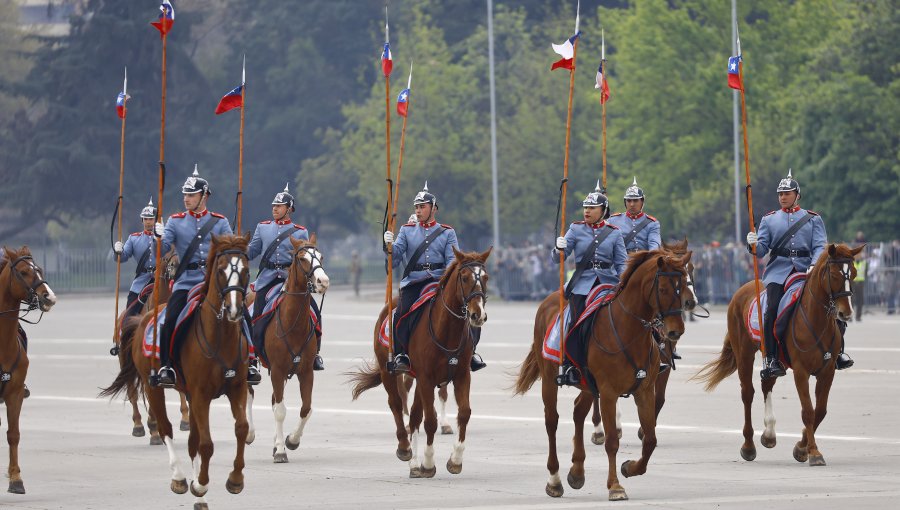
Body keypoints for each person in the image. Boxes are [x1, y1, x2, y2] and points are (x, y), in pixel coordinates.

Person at [746, 169, 853, 379]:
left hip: (807, 270)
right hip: (779, 273)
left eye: (787, 193)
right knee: (772, 309)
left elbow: (820, 246)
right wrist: (752, 244)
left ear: (797, 195)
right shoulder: (769, 219)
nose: (783, 197)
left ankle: (838, 353)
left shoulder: (812, 218)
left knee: (832, 304)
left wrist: (814, 265)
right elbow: (761, 251)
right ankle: (771, 359)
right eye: (780, 194)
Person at [154, 166, 254, 387]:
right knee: (170, 318)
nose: (186, 199)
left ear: (204, 196)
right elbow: (158, 254)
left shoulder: (219, 221)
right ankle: (166, 365)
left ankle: (252, 359)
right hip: (185, 281)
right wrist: (157, 237)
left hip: (213, 282)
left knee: (243, 314)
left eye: (191, 195)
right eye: (185, 195)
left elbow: (232, 248)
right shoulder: (175, 221)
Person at [383, 182, 486, 373]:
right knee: (400, 313)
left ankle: (471, 353)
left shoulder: (447, 232)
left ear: (433, 209)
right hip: (414, 282)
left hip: (440, 282)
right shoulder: (407, 230)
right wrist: (388, 245)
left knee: (470, 311)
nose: (419, 210)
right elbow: (395, 259)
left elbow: (451, 260)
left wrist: (446, 283)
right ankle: (402, 354)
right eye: (416, 207)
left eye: (422, 206)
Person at [552, 182, 627, 386]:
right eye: (585, 207)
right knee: (576, 322)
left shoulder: (614, 232)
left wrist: (624, 282)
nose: (587, 211)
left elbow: (621, 263)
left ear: (603, 211)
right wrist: (558, 248)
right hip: (582, 285)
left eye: (592, 208)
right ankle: (570, 363)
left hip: (608, 284)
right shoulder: (575, 229)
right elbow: (558, 258)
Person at [247, 183, 324, 371]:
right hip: (267, 279)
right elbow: (252, 252)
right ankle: (252, 356)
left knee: (314, 312)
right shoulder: (263, 228)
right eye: (273, 206)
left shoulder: (300, 231)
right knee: (255, 316)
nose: (274, 208)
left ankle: (315, 354)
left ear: (289, 209)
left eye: (279, 206)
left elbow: (305, 257)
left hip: (292, 280)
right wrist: (237, 247)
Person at [607, 177, 678, 363]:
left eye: (635, 201)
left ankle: (665, 345)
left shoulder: (652, 223)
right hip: (620, 268)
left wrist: (644, 261)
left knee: (664, 298)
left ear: (642, 202)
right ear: (625, 202)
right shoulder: (614, 220)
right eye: (629, 201)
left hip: (644, 269)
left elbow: (654, 246)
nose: (632, 204)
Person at [113, 198, 158, 319]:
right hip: (141, 281)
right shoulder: (133, 238)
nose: (148, 222)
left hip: (160, 279)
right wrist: (118, 251)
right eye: (146, 219)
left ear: (156, 220)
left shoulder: (164, 238)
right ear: (142, 220)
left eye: (151, 219)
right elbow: (122, 258)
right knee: (129, 313)